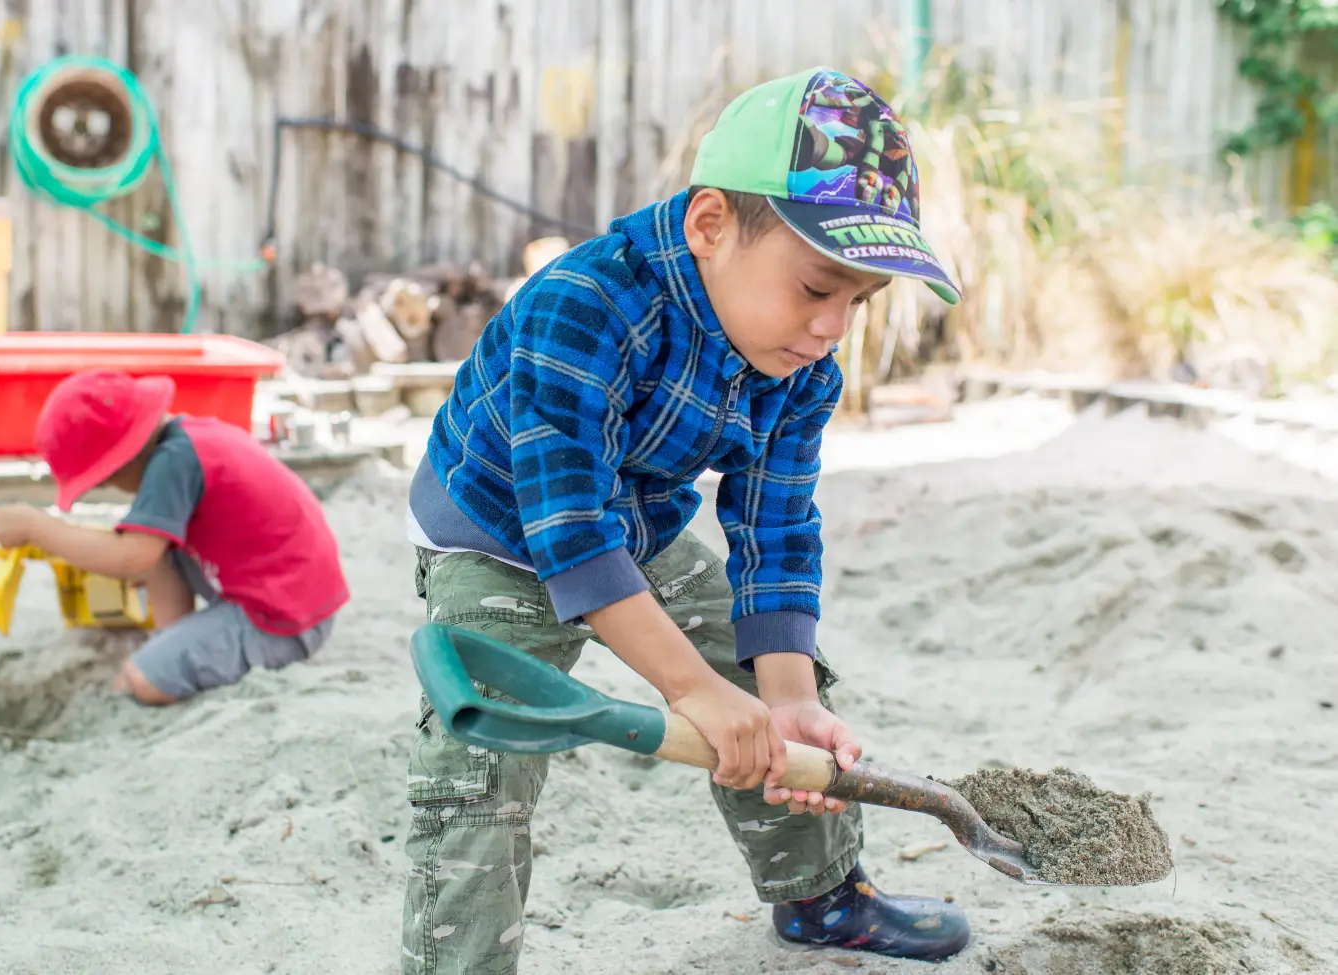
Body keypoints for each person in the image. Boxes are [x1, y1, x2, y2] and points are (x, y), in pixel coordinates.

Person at [400, 66, 970, 971]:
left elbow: (776, 526)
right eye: (817, 286)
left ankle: (819, 898)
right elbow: (570, 533)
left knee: (782, 686)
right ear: (710, 225)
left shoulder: (800, 364)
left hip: (639, 522)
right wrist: (697, 694)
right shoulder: (581, 304)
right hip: (501, 527)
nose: (831, 328)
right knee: (483, 764)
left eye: (857, 304)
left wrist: (782, 697)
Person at [0, 368, 348, 705]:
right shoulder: (188, 440)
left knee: (143, 680)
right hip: (289, 592)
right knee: (152, 539)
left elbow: (130, 558)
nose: (111, 488)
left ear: (122, 459)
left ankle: (172, 658)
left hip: (282, 618)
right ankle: (174, 641)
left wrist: (37, 529)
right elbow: (145, 552)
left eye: (105, 479)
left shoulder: (174, 463)